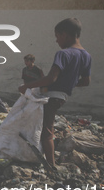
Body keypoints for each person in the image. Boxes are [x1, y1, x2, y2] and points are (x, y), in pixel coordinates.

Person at [18, 18, 92, 167]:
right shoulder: (86, 56)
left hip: (51, 96)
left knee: (46, 130)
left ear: (64, 35)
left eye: (57, 36)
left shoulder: (63, 54)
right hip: (62, 97)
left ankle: (51, 166)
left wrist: (26, 87)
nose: (56, 40)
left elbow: (51, 78)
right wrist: (68, 84)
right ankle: (39, 155)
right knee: (41, 124)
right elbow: (85, 82)